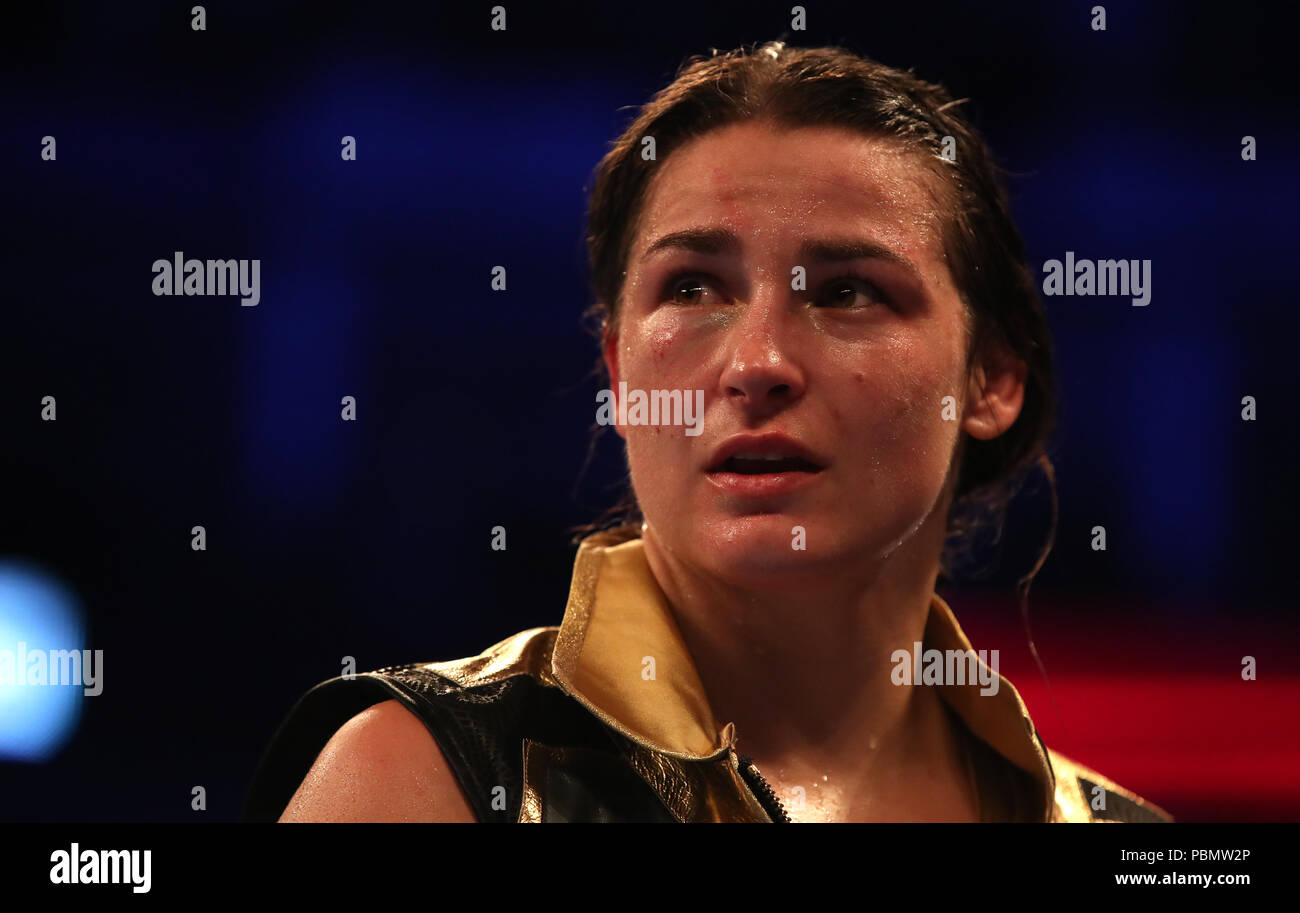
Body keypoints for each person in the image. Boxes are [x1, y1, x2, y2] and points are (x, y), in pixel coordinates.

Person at [243, 40, 1171, 823]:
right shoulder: (416, 783)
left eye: (849, 291)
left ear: (991, 377)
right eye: (692, 288)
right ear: (619, 372)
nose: (757, 361)